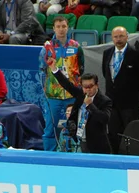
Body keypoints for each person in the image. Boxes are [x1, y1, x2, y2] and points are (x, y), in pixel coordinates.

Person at [45, 57, 113, 154]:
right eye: (85, 87)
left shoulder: (105, 101)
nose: (88, 89)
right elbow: (67, 84)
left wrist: (90, 105)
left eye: (90, 86)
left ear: (96, 85)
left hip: (96, 144)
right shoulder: (80, 94)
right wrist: (54, 69)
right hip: (79, 140)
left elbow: (105, 119)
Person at [102, 26, 139, 154]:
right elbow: (105, 74)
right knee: (113, 132)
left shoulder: (136, 54)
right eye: (116, 37)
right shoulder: (107, 53)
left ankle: (130, 157)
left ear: (127, 37)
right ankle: (115, 157)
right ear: (112, 38)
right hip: (112, 102)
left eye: (121, 36)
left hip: (130, 103)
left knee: (130, 131)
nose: (118, 39)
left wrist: (131, 89)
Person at [39, 15, 84, 151]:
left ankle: (73, 153)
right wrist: (46, 91)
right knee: (51, 128)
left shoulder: (76, 47)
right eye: (58, 27)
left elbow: (81, 68)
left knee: (73, 126)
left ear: (68, 27)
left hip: (72, 95)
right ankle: (49, 156)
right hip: (53, 95)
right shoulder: (47, 48)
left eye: (63, 26)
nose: (61, 29)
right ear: (53, 28)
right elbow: (42, 70)